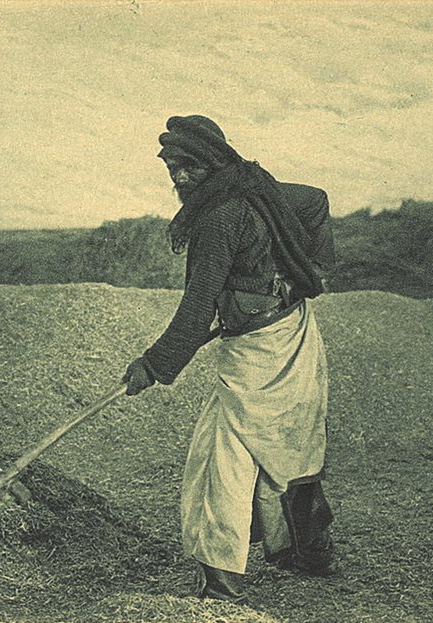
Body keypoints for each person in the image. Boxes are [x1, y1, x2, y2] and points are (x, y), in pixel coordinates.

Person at [122, 115, 337, 604]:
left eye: (189, 168)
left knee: (223, 460)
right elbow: (316, 200)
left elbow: (198, 306)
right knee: (292, 446)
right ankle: (310, 551)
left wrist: (153, 365)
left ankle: (221, 582)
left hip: (263, 351)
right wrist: (312, 270)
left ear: (213, 162)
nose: (178, 178)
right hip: (294, 332)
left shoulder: (219, 218)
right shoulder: (258, 187)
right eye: (172, 168)